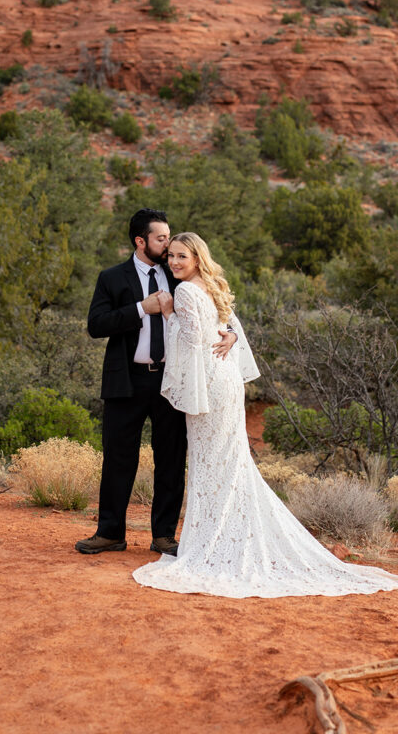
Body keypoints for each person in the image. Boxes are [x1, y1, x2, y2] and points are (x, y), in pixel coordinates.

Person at [133, 232, 398, 598]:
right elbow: (229, 329)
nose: (174, 263)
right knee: (230, 462)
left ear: (198, 257)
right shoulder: (213, 285)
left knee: (211, 464)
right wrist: (229, 334)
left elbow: (190, 341)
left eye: (181, 256)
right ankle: (227, 537)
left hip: (209, 384)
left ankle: (213, 544)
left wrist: (168, 313)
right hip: (227, 381)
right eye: (171, 257)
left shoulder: (184, 292)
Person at [75, 210, 236, 557]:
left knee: (171, 458)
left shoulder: (179, 272)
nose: (168, 244)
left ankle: (164, 536)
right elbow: (96, 324)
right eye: (161, 238)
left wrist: (233, 334)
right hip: (127, 381)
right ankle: (110, 533)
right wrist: (140, 308)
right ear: (140, 241)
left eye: (170, 238)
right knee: (119, 458)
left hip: (173, 380)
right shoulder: (112, 277)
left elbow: (218, 308)